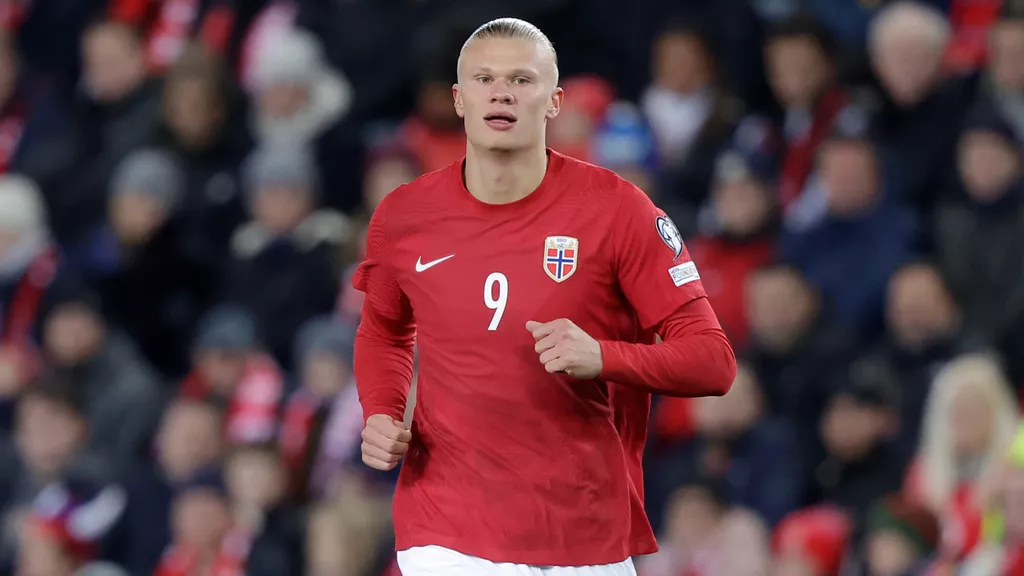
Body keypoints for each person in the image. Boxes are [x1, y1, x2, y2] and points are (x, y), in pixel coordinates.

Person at [353, 17, 737, 576]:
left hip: (584, 530)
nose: (501, 93)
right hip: (446, 528)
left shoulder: (619, 211)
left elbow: (713, 361)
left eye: (521, 80)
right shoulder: (404, 216)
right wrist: (382, 412)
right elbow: (383, 330)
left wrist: (604, 356)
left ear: (555, 102)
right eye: (484, 79)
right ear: (458, 99)